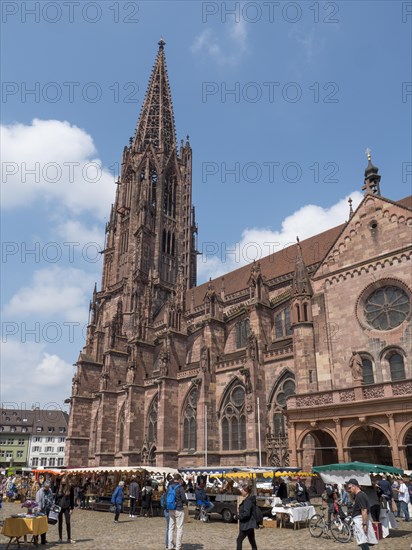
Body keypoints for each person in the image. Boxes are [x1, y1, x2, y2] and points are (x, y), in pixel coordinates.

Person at [346, 478, 378, 550]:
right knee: (362, 542)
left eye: (349, 488)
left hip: (360, 521)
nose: (349, 490)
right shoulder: (360, 495)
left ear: (354, 486)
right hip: (359, 520)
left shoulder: (360, 495)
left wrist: (364, 524)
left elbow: (364, 510)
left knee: (362, 542)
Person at [167, 473, 187, 550]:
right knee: (179, 528)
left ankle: (170, 545)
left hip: (171, 508)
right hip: (179, 509)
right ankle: (178, 546)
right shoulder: (180, 487)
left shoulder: (169, 487)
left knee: (171, 528)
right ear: (179, 480)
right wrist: (185, 502)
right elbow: (184, 499)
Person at [237, 481, 258, 550]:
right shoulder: (249, 499)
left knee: (239, 540)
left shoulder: (248, 500)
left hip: (247, 524)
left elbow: (246, 514)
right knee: (252, 541)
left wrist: (238, 517)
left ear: (245, 491)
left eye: (242, 491)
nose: (241, 492)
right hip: (250, 524)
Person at [55, 478, 76, 544]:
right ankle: (60, 538)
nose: (63, 482)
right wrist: (63, 494)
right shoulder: (59, 487)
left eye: (64, 481)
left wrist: (72, 508)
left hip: (67, 507)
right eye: (62, 481)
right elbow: (56, 496)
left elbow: (72, 498)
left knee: (68, 522)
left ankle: (69, 538)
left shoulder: (70, 487)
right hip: (60, 506)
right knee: (60, 523)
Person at [35, 480, 54, 545]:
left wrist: (52, 506)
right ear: (44, 486)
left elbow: (51, 498)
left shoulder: (50, 490)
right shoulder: (39, 492)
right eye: (46, 487)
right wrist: (39, 509)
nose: (47, 488)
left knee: (44, 526)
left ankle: (43, 540)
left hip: (48, 510)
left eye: (48, 487)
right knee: (38, 526)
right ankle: (36, 540)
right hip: (41, 511)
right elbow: (38, 502)